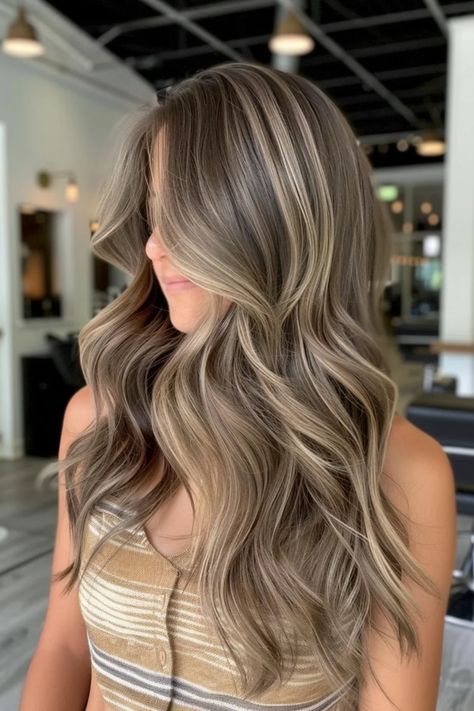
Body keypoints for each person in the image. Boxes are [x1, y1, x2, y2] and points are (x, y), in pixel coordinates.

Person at [20, 61, 456, 711]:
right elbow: (64, 646)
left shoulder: (395, 473)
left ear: (274, 223)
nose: (153, 248)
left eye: (186, 215)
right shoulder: (98, 421)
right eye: (154, 214)